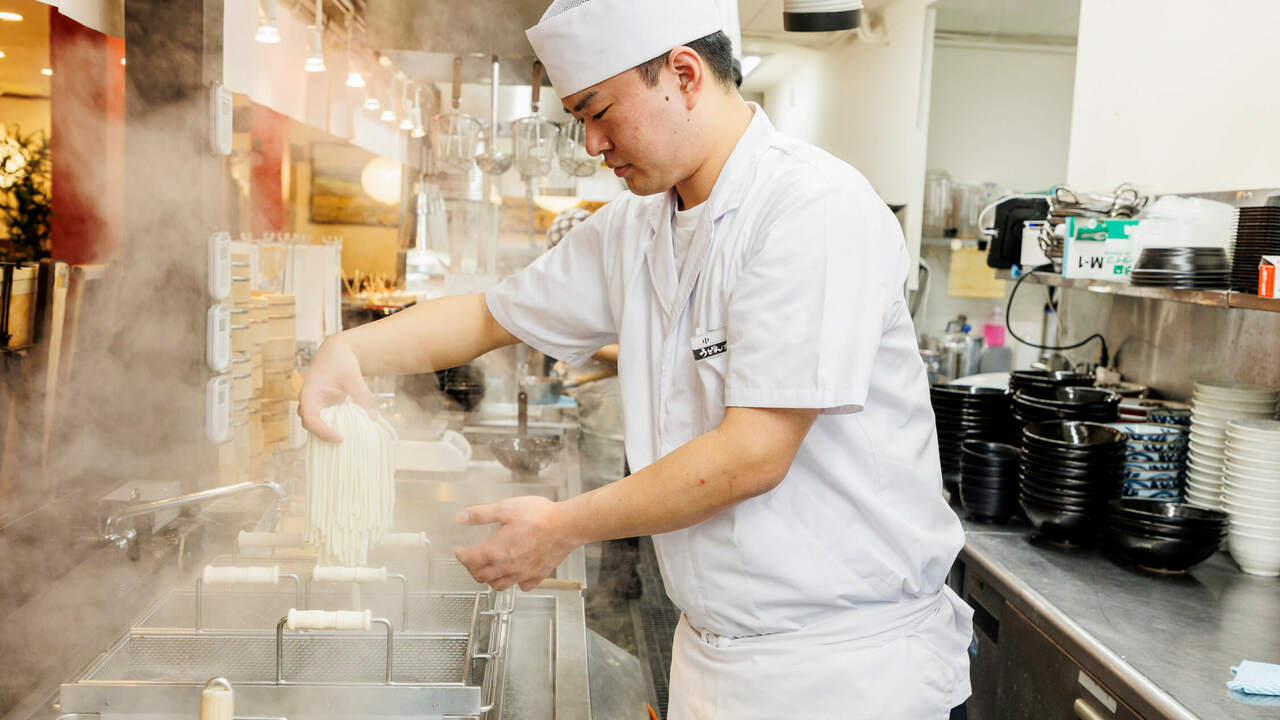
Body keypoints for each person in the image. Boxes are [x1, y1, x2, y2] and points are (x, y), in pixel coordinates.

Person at [298, 0, 973, 716]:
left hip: (847, 677)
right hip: (714, 666)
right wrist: (347, 350)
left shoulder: (810, 208)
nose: (590, 145)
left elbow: (754, 453)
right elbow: (487, 314)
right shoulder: (635, 230)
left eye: (598, 112)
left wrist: (562, 524)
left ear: (683, 74)